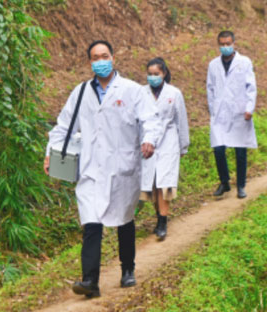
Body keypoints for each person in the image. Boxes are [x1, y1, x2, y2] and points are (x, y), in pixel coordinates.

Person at [44, 40, 162, 299]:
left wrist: (149, 140)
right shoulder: (80, 92)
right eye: (95, 57)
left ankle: (128, 269)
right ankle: (90, 280)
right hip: (90, 169)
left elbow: (151, 120)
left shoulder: (132, 90)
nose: (100, 61)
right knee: (91, 223)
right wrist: (50, 153)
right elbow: (63, 126)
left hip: (122, 168)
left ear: (113, 58)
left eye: (104, 56)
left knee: (124, 220)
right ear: (90, 62)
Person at [140, 57, 189, 241]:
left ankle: (163, 221)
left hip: (169, 142)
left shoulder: (174, 93)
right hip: (147, 143)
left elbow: (181, 121)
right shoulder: (141, 93)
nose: (153, 77)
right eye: (150, 74)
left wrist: (183, 146)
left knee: (165, 182)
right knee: (152, 183)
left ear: (164, 73)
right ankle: (158, 214)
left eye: (156, 74)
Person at [206, 31, 257, 199]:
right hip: (220, 112)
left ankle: (241, 185)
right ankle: (224, 182)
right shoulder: (213, 65)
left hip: (239, 112)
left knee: (240, 150)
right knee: (218, 148)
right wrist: (213, 109)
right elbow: (210, 88)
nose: (225, 47)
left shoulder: (244, 62)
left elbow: (251, 87)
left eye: (228, 43)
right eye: (222, 44)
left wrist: (249, 108)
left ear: (234, 43)